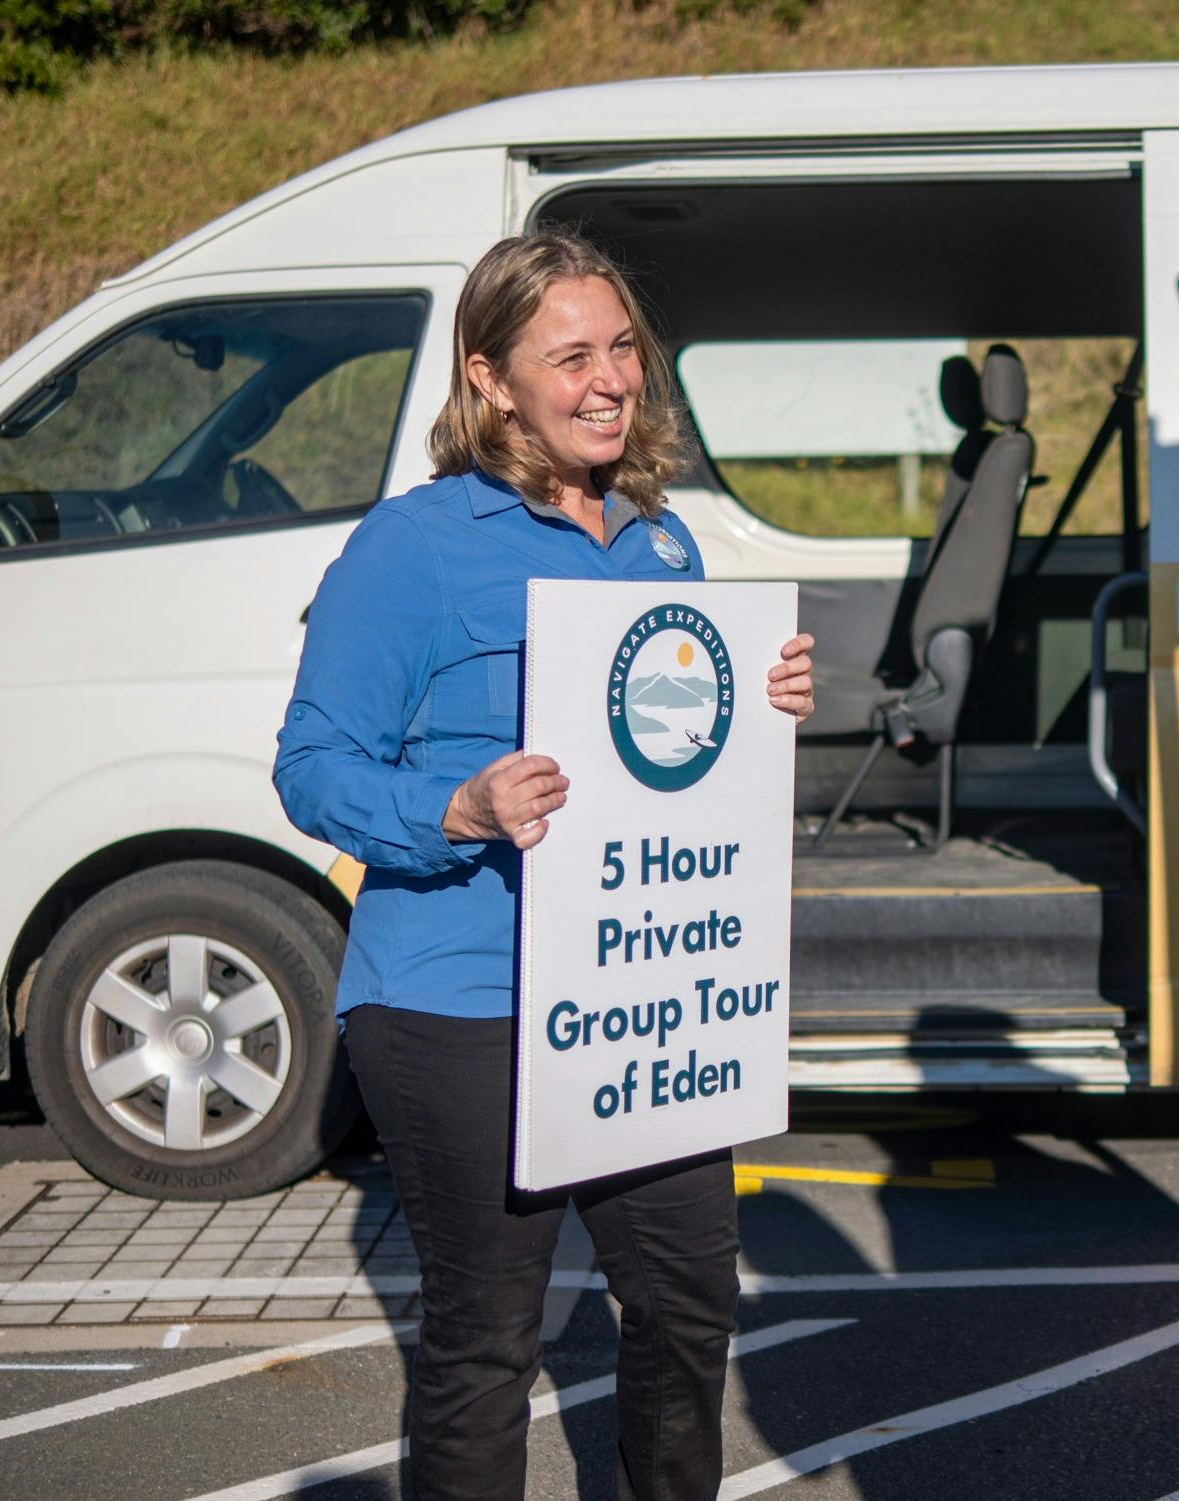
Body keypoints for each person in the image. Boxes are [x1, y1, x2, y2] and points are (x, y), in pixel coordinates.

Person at [273, 232, 815, 1501]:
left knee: (689, 1312)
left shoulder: (658, 544)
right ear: (490, 379)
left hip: (638, 1000)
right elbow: (310, 765)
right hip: (460, 996)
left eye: (621, 345)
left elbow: (668, 748)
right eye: (567, 355)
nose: (608, 378)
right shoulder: (412, 545)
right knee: (484, 1348)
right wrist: (451, 804)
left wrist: (757, 697)